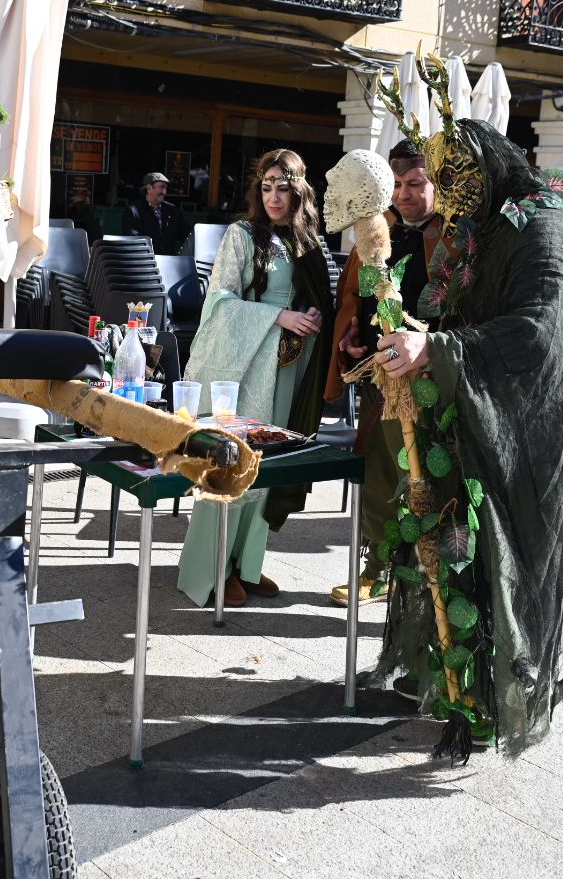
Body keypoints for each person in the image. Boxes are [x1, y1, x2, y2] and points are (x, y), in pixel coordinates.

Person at [364, 117, 563, 760]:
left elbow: (534, 331)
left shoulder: (547, 232)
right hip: (478, 427)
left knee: (512, 564)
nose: (446, 191)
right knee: (460, 560)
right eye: (441, 179)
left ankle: (502, 695)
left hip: (530, 438)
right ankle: (456, 685)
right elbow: (462, 308)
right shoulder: (486, 230)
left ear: (494, 170)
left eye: (455, 177)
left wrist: (440, 349)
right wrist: (412, 324)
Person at [176, 150, 334, 606]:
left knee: (269, 466)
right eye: (266, 187)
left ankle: (247, 564)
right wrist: (278, 317)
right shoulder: (242, 235)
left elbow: (318, 294)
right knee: (234, 462)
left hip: (291, 367)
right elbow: (220, 301)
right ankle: (210, 570)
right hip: (247, 366)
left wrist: (312, 318)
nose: (273, 197)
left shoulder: (308, 241)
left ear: (299, 190)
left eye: (282, 187)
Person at [325, 138, 449, 607]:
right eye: (396, 185)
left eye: (416, 184)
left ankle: (433, 577)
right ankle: (377, 569)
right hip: (384, 376)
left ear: (435, 184)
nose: (404, 194)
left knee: (429, 480)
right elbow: (352, 301)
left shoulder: (455, 238)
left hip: (437, 375)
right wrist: (353, 337)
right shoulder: (377, 229)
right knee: (379, 473)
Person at [124, 172, 191, 255]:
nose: (164, 192)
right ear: (149, 188)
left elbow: (187, 234)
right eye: (161, 187)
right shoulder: (134, 211)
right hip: (145, 262)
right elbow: (133, 239)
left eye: (165, 188)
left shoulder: (172, 210)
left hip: (169, 262)